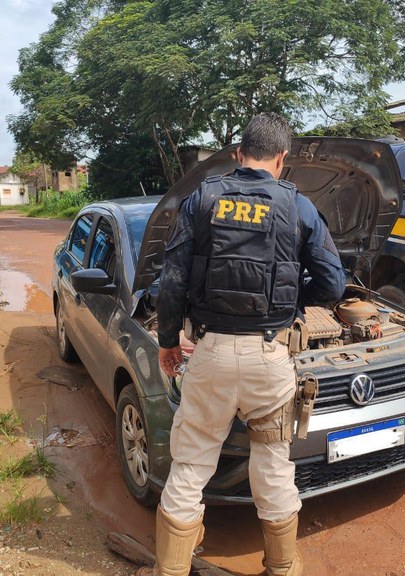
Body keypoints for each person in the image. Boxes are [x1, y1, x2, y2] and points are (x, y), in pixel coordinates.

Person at [139, 113, 345, 576]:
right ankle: (282, 569)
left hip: (209, 356)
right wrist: (292, 300)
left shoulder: (201, 200)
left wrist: (168, 342)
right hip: (270, 361)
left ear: (236, 155)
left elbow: (170, 283)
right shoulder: (298, 206)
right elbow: (333, 285)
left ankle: (170, 571)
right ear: (282, 159)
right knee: (272, 470)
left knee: (190, 466)